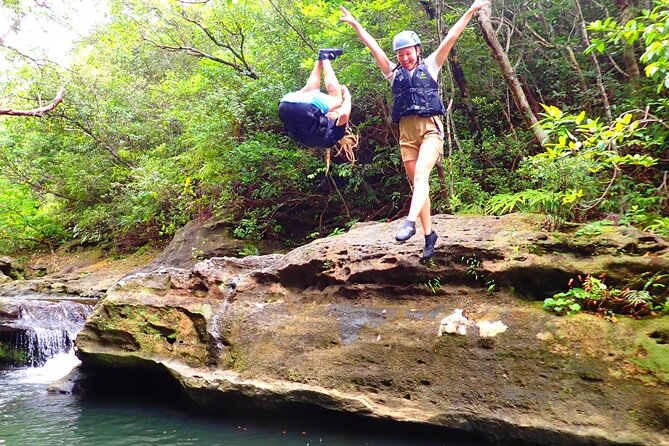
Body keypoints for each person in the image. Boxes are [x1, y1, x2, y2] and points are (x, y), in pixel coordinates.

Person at [340, 0, 490, 260]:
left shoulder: (431, 65)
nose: (404, 57)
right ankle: (429, 235)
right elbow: (373, 47)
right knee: (417, 184)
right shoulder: (393, 72)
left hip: (431, 129)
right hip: (406, 135)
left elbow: (452, 36)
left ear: (418, 51)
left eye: (408, 52)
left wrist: (471, 9)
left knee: (421, 175)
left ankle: (409, 223)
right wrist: (356, 25)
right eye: (400, 54)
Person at [279, 49, 353, 153]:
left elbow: (344, 115)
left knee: (337, 99)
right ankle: (320, 58)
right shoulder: (308, 138)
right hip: (285, 103)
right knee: (310, 90)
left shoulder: (333, 137)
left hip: (305, 108)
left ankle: (325, 58)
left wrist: (348, 97)